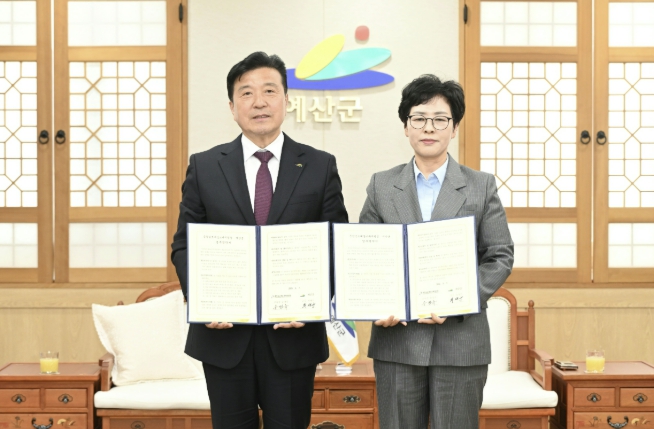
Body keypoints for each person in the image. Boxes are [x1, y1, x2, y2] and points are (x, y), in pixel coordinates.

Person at [171, 51, 348, 429]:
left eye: (269, 90)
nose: (259, 102)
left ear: (287, 100)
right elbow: (184, 244)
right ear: (232, 107)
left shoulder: (319, 165)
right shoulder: (205, 166)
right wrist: (203, 301)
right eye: (247, 93)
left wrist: (313, 303)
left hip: (294, 337)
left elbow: (337, 244)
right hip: (223, 338)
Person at [359, 74, 514, 429]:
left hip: (460, 340)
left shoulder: (480, 186)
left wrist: (458, 299)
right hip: (398, 340)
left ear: (454, 128)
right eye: (419, 118)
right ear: (406, 126)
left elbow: (500, 254)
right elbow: (368, 258)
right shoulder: (382, 185)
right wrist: (376, 304)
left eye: (440, 119)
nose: (429, 127)